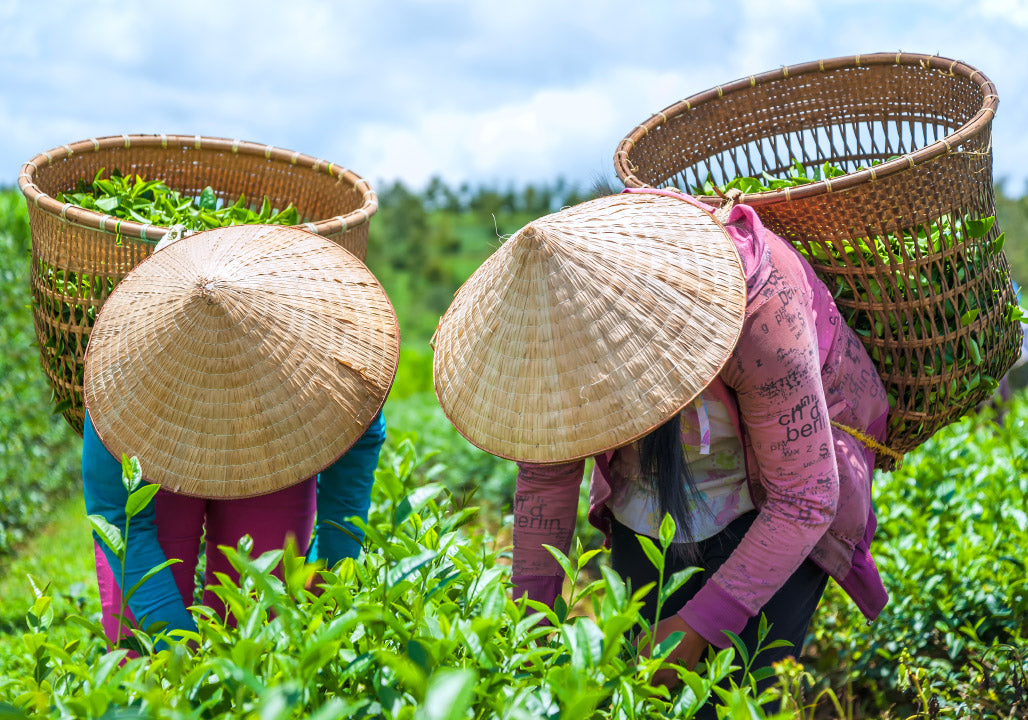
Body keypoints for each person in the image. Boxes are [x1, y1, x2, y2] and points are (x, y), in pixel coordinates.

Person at [432, 191, 891, 709]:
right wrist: (528, 633)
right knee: (648, 695)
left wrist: (698, 627)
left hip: (770, 505)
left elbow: (803, 498)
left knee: (735, 697)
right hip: (647, 504)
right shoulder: (556, 333)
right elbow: (546, 476)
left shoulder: (762, 310)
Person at [82, 223, 399, 646]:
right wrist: (177, 647)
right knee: (139, 651)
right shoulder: (122, 374)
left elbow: (346, 496)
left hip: (275, 456)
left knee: (258, 624)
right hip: (159, 471)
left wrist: (324, 592)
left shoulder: (338, 367)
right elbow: (120, 520)